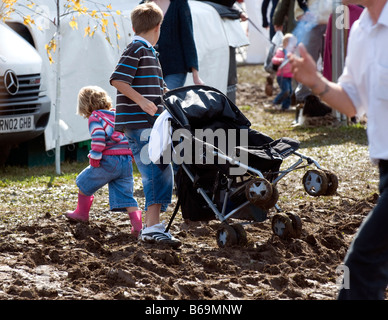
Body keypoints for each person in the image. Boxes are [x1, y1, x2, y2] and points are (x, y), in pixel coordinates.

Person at [289, 0, 388, 300]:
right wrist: (315, 82)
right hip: (385, 168)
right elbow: (353, 103)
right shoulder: (360, 29)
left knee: (360, 265)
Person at [110, 2, 181, 248]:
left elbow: (156, 87)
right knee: (154, 172)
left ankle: (154, 225)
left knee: (162, 170)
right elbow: (118, 79)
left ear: (134, 25)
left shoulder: (149, 52)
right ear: (158, 27)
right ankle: (151, 228)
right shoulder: (137, 48)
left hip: (151, 125)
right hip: (140, 125)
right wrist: (141, 102)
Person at [65, 86, 142, 237]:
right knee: (127, 196)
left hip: (108, 161)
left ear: (85, 106)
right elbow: (129, 136)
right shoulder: (117, 115)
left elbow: (99, 140)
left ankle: (81, 213)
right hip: (125, 161)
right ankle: (138, 227)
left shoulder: (96, 117)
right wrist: (131, 155)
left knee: (83, 181)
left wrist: (94, 157)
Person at [149, 0, 204, 89]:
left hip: (175, 69)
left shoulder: (179, 3)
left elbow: (187, 37)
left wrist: (195, 75)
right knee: (154, 101)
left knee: (166, 100)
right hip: (151, 69)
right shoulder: (144, 4)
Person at [271, 33, 297, 111]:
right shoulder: (281, 51)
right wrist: (280, 60)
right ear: (286, 43)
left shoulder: (292, 53)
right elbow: (274, 60)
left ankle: (285, 106)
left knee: (290, 92)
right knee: (286, 90)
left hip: (289, 76)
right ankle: (275, 102)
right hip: (282, 76)